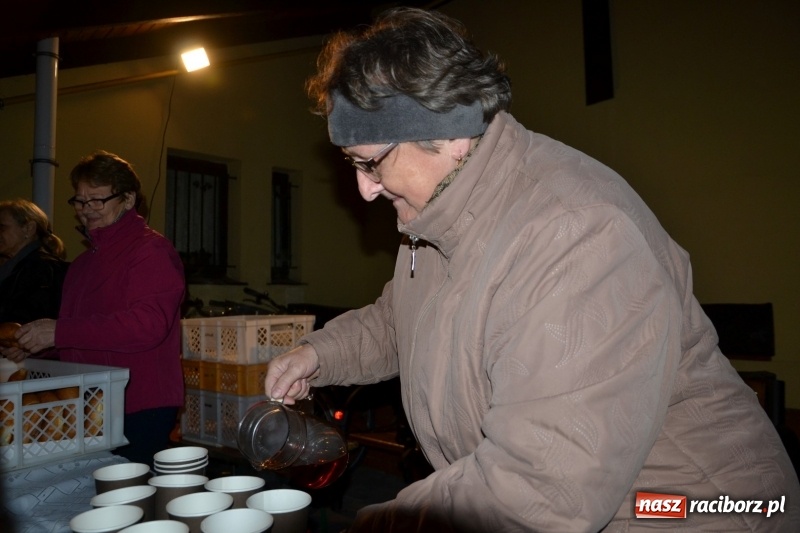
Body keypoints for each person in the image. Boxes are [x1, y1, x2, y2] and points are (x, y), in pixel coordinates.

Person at [264, 7, 800, 532]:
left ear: (449, 134)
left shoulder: (577, 236)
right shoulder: (441, 214)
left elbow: (543, 490)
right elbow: (400, 319)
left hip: (689, 510)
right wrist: (320, 354)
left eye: (370, 162)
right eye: (352, 164)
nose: (364, 189)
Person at [3, 151, 186, 466]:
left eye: (97, 200)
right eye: (79, 201)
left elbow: (148, 325)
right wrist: (39, 348)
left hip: (139, 403)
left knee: (126, 499)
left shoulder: (150, 251)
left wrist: (58, 331)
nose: (86, 211)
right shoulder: (83, 263)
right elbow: (82, 335)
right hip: (89, 402)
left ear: (128, 200)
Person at [0, 199, 68, 324]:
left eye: (1, 227)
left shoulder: (44, 271)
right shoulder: (16, 267)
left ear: (29, 229)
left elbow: (28, 321)